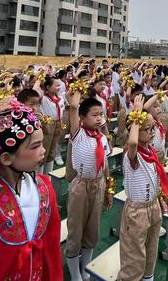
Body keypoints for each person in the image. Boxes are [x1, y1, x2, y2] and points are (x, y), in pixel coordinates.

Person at [0, 97, 63, 280]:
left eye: (42, 143)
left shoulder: (45, 187)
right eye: (35, 146)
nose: (43, 151)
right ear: (6, 158)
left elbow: (51, 249)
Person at [117, 95, 168, 281]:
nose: (152, 132)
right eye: (147, 129)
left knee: (151, 249)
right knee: (134, 255)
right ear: (136, 130)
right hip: (137, 211)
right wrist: (137, 115)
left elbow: (156, 177)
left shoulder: (150, 151)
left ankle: (148, 277)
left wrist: (161, 198)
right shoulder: (132, 155)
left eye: (153, 127)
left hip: (152, 206)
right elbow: (132, 142)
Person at [65, 91, 113, 281]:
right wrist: (74, 102)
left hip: (99, 183)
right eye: (94, 114)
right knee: (76, 228)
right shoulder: (78, 134)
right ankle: (75, 273)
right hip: (81, 186)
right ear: (82, 118)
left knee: (92, 228)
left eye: (101, 114)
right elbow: (74, 109)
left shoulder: (101, 138)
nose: (99, 118)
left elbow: (106, 165)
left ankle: (85, 268)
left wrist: (109, 190)